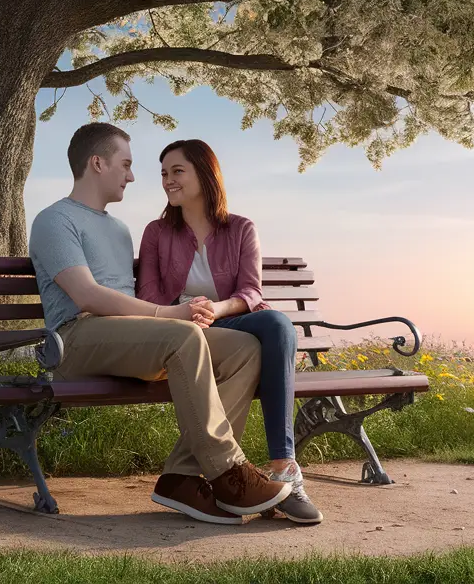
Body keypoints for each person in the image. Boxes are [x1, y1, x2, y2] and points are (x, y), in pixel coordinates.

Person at [28, 123, 292, 525]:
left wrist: (174, 319)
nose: (133, 176)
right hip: (76, 340)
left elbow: (134, 299)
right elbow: (86, 295)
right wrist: (172, 315)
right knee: (183, 334)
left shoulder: (117, 228)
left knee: (244, 350)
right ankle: (228, 471)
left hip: (131, 340)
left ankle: (181, 478)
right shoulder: (55, 220)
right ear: (97, 163)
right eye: (126, 165)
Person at [137, 139, 324, 525]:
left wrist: (216, 308)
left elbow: (252, 291)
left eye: (177, 171)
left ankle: (283, 466)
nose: (168, 181)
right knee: (251, 346)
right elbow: (148, 295)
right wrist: (186, 314)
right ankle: (222, 477)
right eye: (163, 174)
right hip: (178, 328)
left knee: (276, 324)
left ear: (205, 174)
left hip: (226, 318)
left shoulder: (240, 228)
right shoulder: (157, 232)